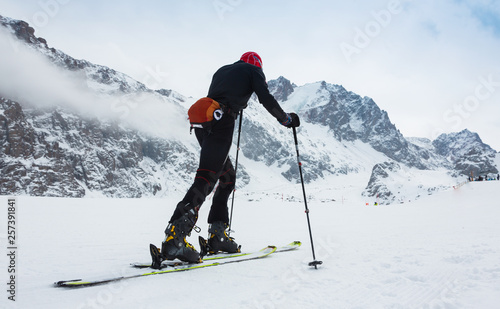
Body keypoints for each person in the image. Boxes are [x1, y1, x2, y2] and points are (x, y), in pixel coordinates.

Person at [153, 52, 300, 267]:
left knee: (227, 177)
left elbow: (223, 94)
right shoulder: (253, 70)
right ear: (258, 65)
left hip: (204, 123)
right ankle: (174, 240)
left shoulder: (222, 70)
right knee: (206, 178)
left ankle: (218, 237)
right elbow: (266, 98)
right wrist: (286, 119)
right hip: (221, 122)